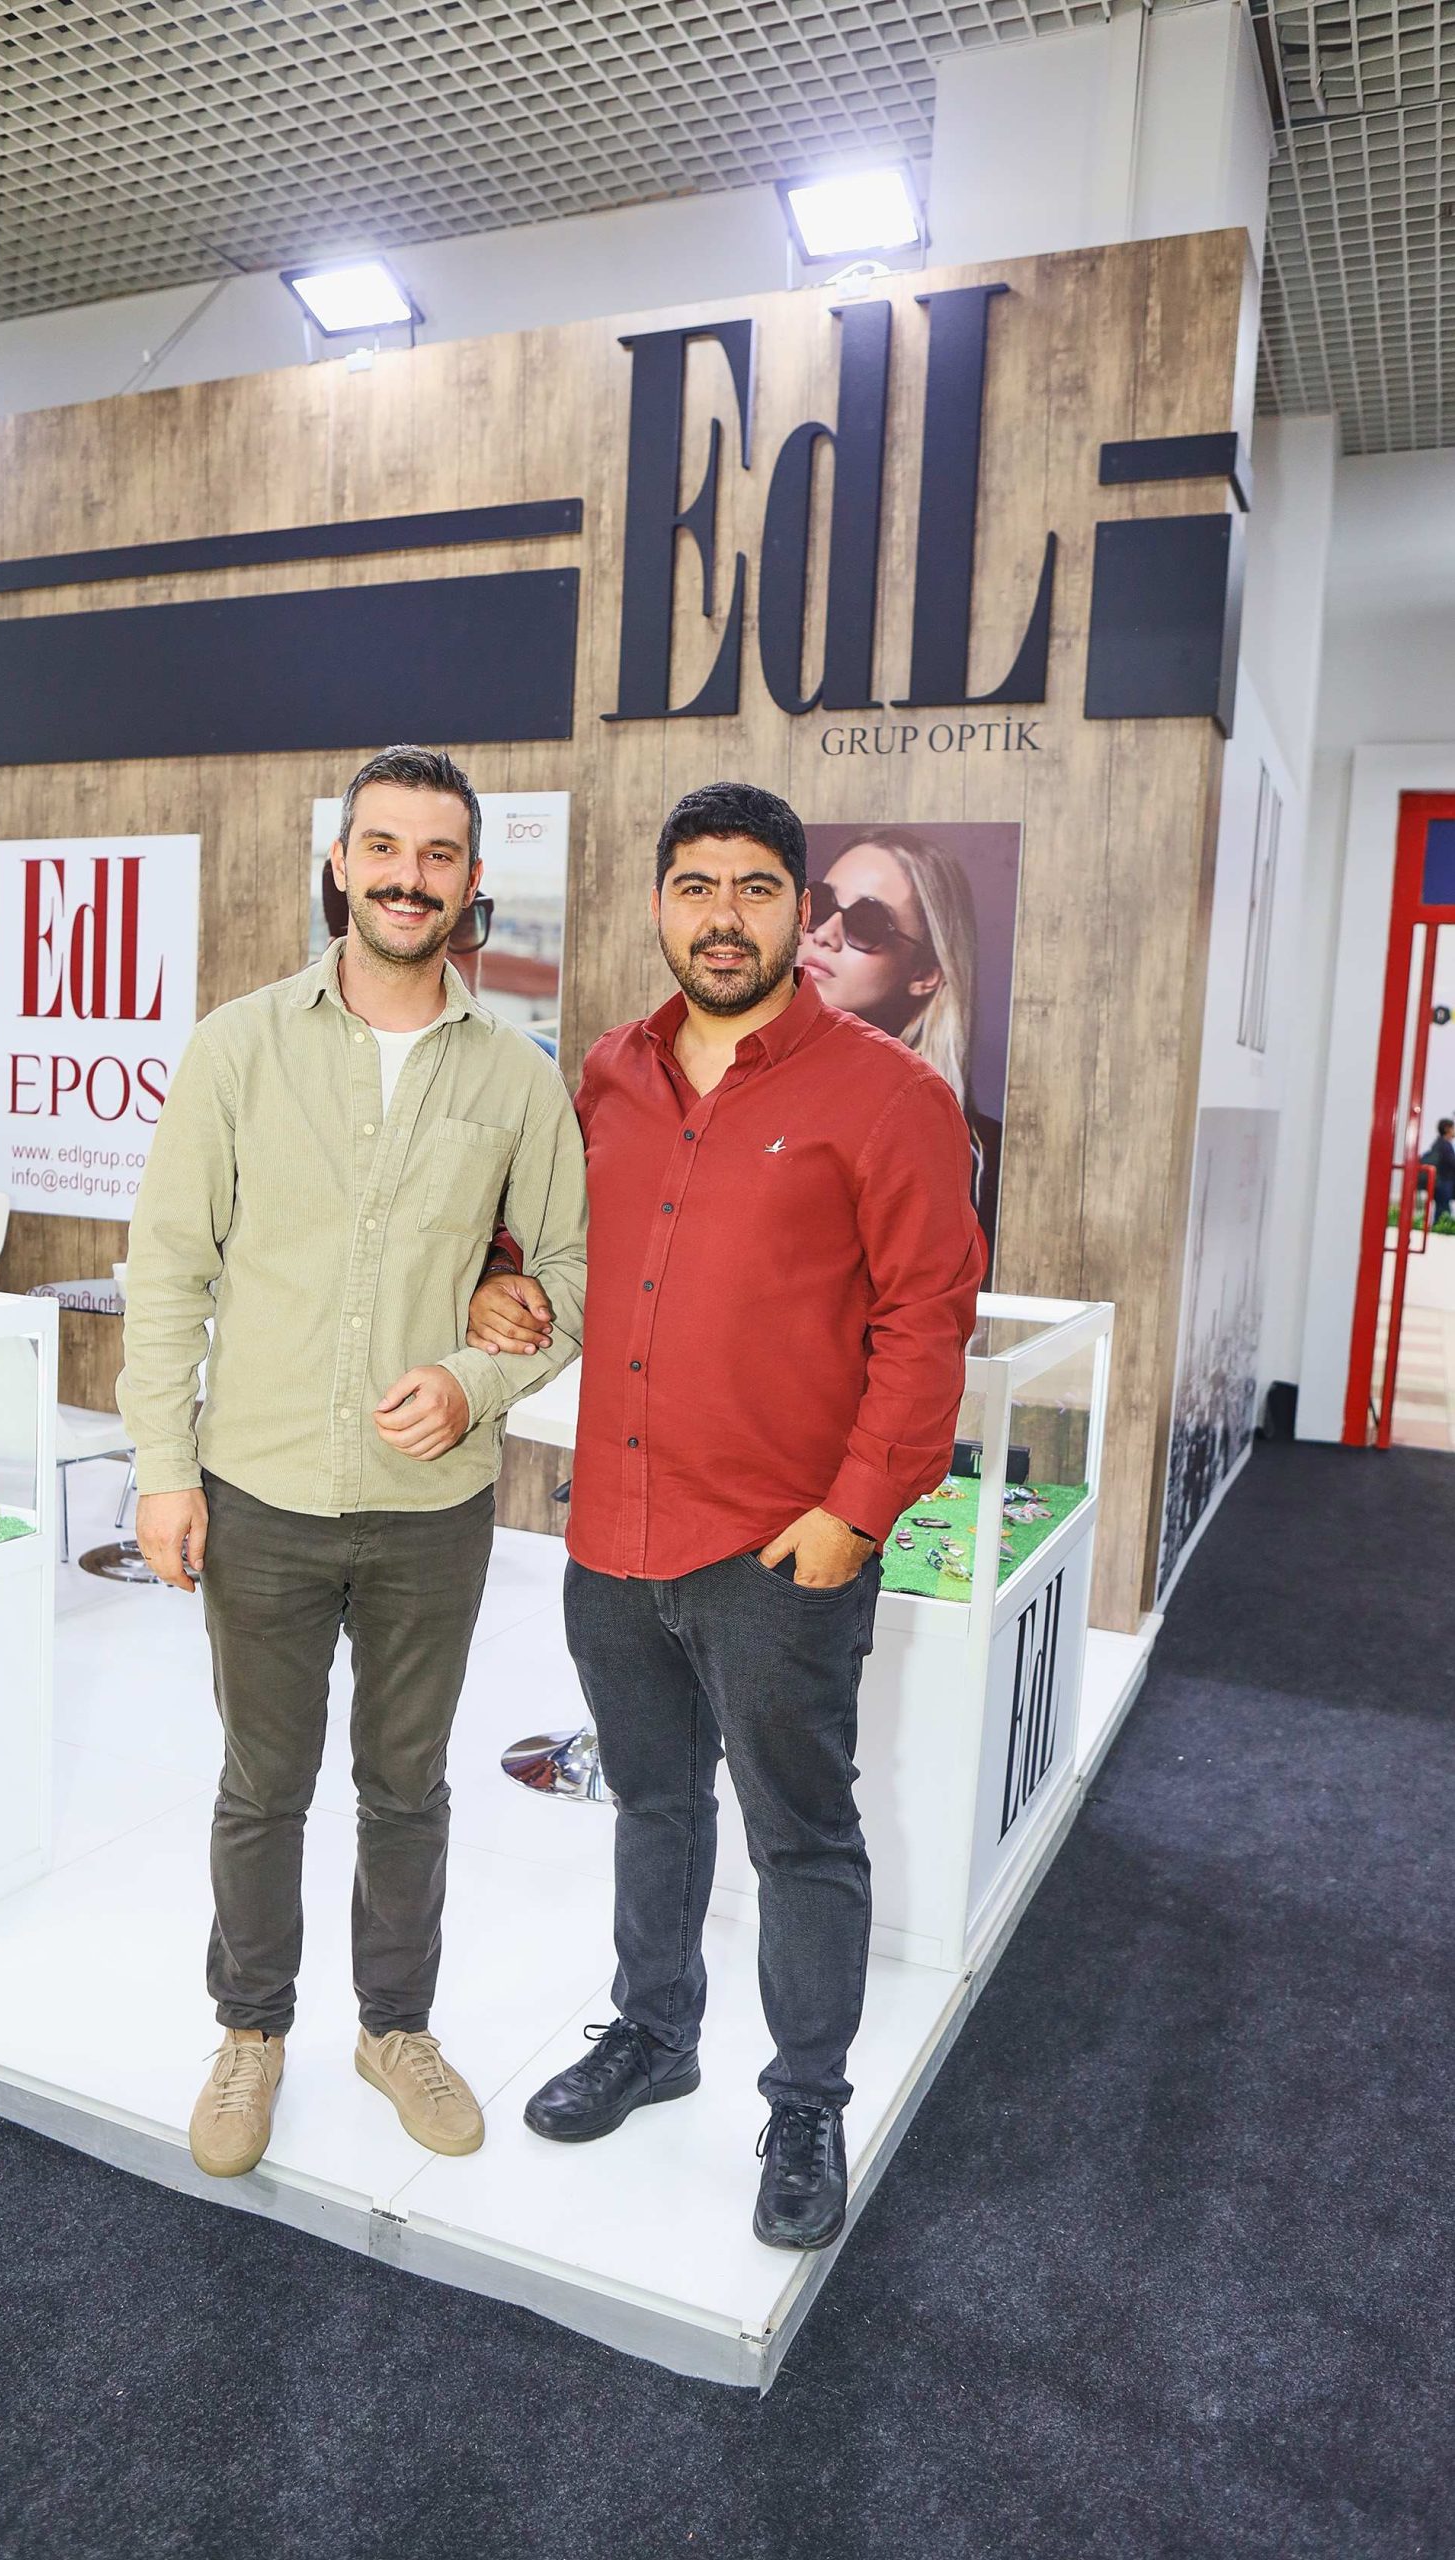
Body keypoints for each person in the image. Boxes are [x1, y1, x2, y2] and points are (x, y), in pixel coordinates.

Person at [469, 781, 984, 2251]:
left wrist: (854, 1516)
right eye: (695, 886)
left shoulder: (888, 1096)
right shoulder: (605, 1074)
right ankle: (653, 2033)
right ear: (658, 904)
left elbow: (925, 1323)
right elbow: (534, 1238)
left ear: (797, 914)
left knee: (799, 1834)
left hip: (777, 1549)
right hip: (614, 1533)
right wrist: (497, 1279)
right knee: (650, 1802)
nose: (723, 916)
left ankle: (806, 2100)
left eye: (757, 888)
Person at [119, 744, 586, 2181]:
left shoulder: (515, 1078)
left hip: (430, 1510)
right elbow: (169, 1269)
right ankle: (251, 2032)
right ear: (339, 863)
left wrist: (475, 1377)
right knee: (262, 1785)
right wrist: (163, 1466)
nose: (407, 877)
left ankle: (395, 2031)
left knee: (406, 1786)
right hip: (256, 1486)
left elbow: (569, 1273)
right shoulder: (237, 1046)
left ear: (470, 880)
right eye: (382, 848)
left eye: (437, 855)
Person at [795, 828, 1000, 1249]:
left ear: (925, 974)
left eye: (868, 923)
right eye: (821, 903)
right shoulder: (728, 1082)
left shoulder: (967, 1155)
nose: (825, 933)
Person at [1421, 1118, 1455, 1226]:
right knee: (1443, 1210)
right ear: (1447, 1129)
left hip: (1439, 1182)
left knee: (1441, 1208)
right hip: (1443, 1182)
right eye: (1453, 1128)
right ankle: (1441, 1227)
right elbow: (1452, 1163)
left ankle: (1438, 1226)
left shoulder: (1438, 1144)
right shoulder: (1444, 1145)